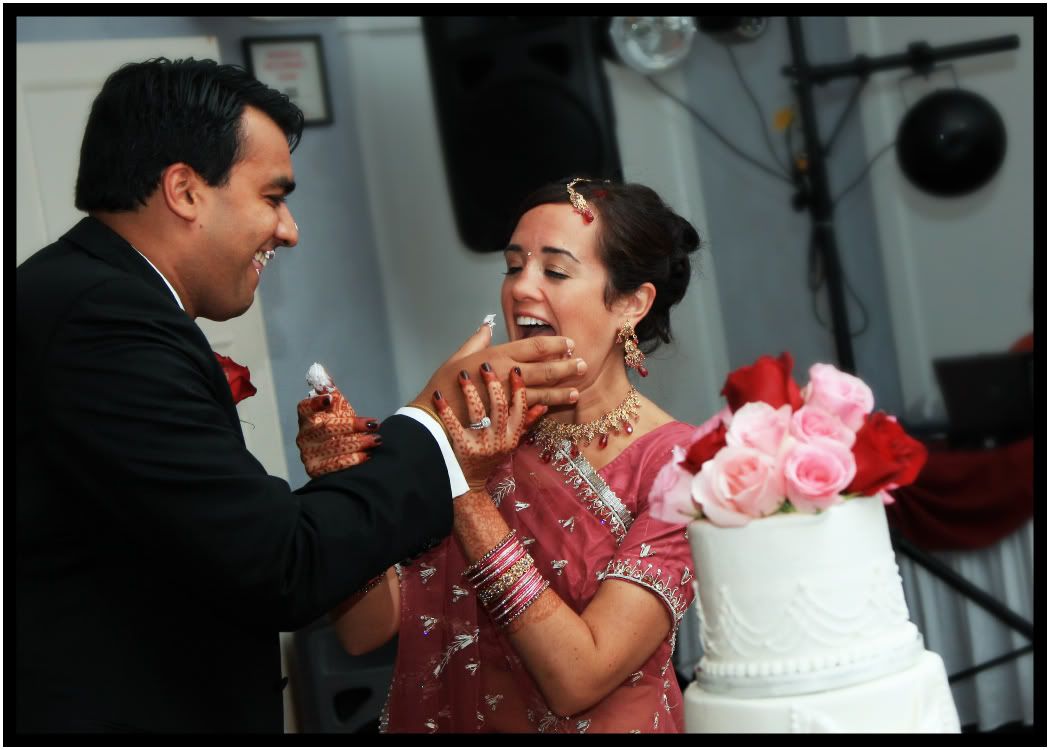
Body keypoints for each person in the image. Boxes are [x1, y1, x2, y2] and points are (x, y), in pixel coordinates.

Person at [14, 57, 582, 734]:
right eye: (271, 197)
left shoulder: (87, 298)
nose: (288, 229)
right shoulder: (101, 322)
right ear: (184, 190)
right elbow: (281, 564)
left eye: (557, 270)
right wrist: (433, 425)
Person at [309, 177, 703, 733]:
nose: (521, 288)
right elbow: (365, 630)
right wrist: (343, 477)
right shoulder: (480, 431)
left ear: (631, 304)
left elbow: (579, 678)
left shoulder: (679, 465)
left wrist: (466, 494)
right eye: (514, 266)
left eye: (555, 271)